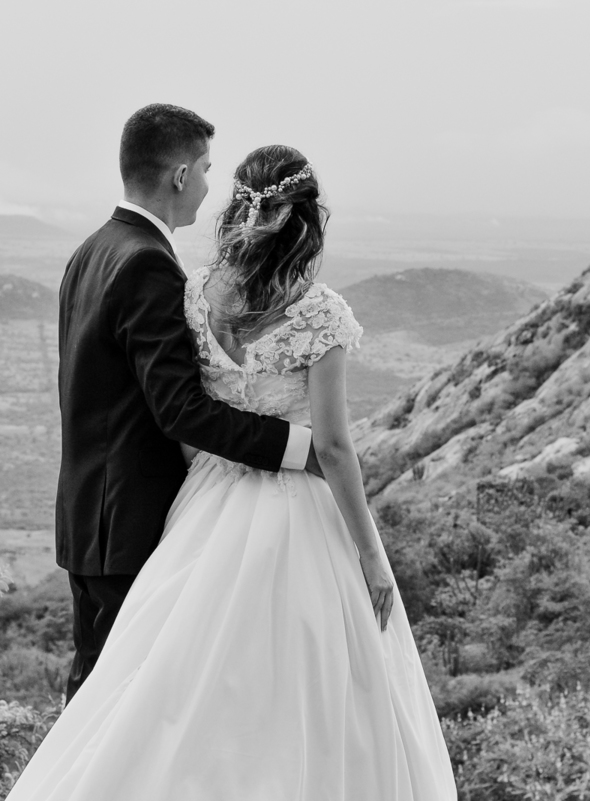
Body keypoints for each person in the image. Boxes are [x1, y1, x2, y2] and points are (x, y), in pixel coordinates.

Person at [10, 145, 457, 799]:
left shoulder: (200, 294)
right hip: (300, 513)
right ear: (308, 221)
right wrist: (369, 554)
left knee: (176, 675)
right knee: (316, 680)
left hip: (205, 500)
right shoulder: (319, 313)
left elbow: (186, 416)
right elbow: (334, 448)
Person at [55, 103, 320, 701]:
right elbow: (179, 409)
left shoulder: (92, 250)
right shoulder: (147, 262)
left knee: (93, 696)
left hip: (87, 517)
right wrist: (298, 447)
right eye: (204, 169)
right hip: (128, 522)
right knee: (124, 705)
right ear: (179, 176)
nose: (207, 185)